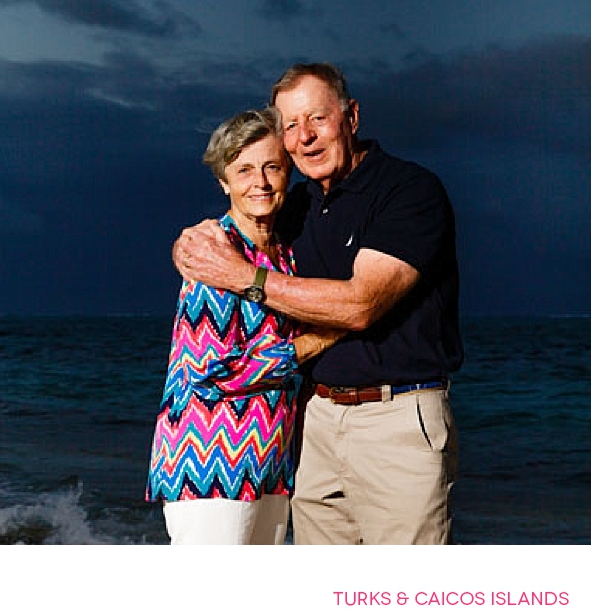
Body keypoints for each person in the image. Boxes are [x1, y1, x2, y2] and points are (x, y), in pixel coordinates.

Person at [173, 64, 462, 545]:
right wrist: (190, 243)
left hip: (395, 421)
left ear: (351, 117)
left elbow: (360, 304)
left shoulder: (408, 191)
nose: (304, 137)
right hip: (312, 426)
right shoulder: (299, 205)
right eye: (290, 125)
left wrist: (245, 277)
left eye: (317, 119)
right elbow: (242, 220)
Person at [148, 108, 341, 545]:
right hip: (209, 466)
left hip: (271, 466)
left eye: (272, 167)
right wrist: (322, 339)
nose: (261, 182)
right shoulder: (212, 253)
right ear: (224, 181)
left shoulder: (284, 255)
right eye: (245, 170)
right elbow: (214, 372)